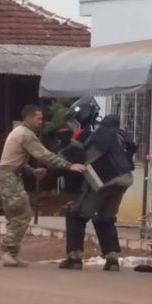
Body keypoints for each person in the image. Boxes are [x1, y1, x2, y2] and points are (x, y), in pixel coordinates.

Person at [0, 104, 85, 267]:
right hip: (9, 177)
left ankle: (12, 254)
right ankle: (3, 248)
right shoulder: (26, 134)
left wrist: (32, 171)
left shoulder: (19, 132)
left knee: (15, 215)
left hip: (9, 175)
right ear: (28, 118)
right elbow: (44, 155)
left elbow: (14, 159)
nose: (41, 122)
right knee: (24, 214)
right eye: (38, 118)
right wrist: (69, 165)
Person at [58, 97, 137, 272]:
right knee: (105, 218)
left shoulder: (87, 132)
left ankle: (74, 257)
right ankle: (112, 259)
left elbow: (70, 155)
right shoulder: (118, 132)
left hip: (103, 180)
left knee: (75, 214)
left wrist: (56, 161)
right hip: (124, 179)